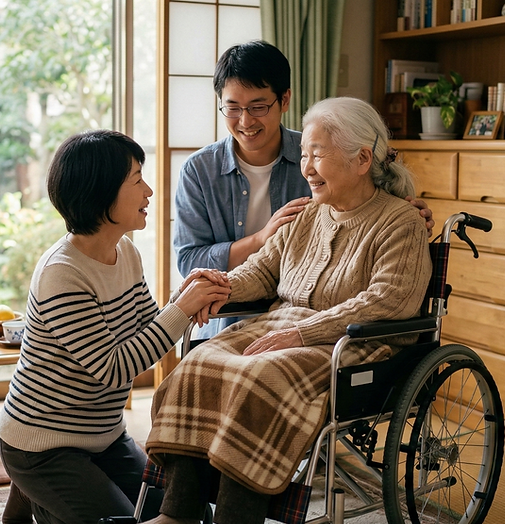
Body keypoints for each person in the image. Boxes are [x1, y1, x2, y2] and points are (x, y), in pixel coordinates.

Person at [123, 97, 432, 524]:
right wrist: (218, 286)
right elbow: (262, 271)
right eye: (304, 153)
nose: (307, 166)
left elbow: (388, 300)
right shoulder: (304, 214)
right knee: (195, 365)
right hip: (281, 326)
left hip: (349, 343)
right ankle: (180, 514)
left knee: (258, 378)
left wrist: (304, 331)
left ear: (363, 158)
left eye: (318, 153)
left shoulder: (400, 221)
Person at [0, 130, 230, 524]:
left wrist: (185, 299)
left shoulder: (127, 252)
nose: (149, 190)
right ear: (101, 192)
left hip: (105, 436)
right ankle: (38, 497)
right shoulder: (61, 273)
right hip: (44, 444)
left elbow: (147, 329)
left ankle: (49, 493)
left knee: (189, 520)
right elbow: (114, 368)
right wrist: (180, 310)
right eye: (137, 179)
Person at [173, 40, 434, 339]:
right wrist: (258, 240)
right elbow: (203, 261)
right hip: (239, 322)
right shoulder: (199, 170)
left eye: (258, 106)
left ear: (284, 100)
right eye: (232, 108)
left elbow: (377, 204)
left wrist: (411, 213)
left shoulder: (329, 148)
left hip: (319, 337)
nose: (245, 121)